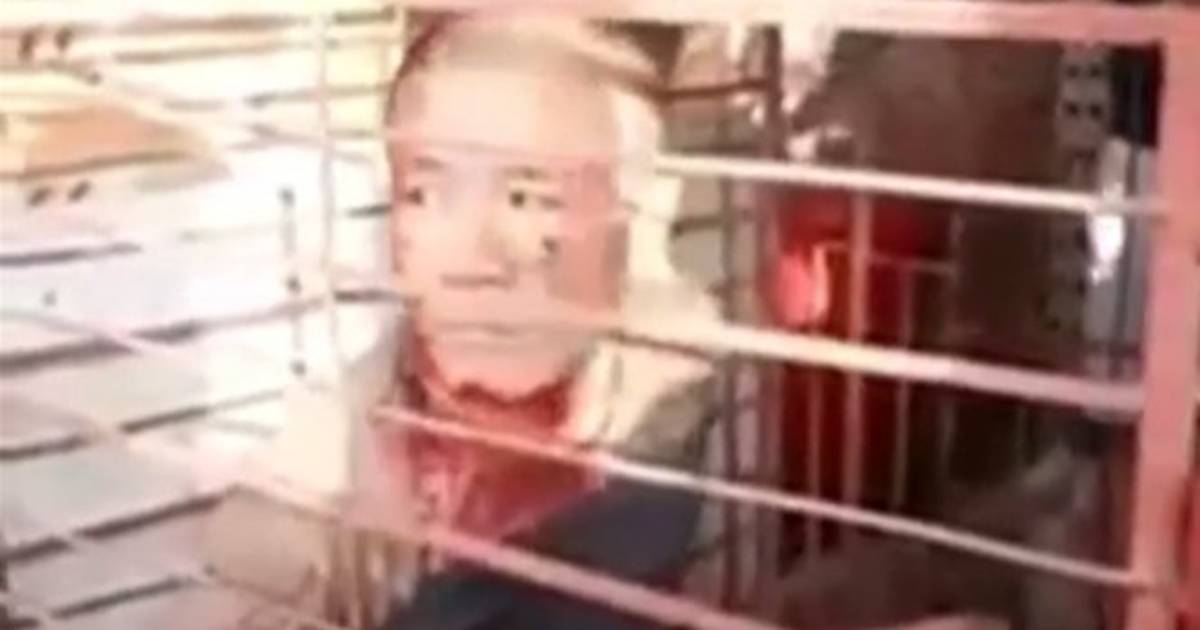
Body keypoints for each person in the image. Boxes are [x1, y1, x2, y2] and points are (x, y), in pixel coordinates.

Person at [186, 16, 722, 630]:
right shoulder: (327, 464)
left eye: (528, 198)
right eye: (426, 195)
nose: (475, 256)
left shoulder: (668, 370)